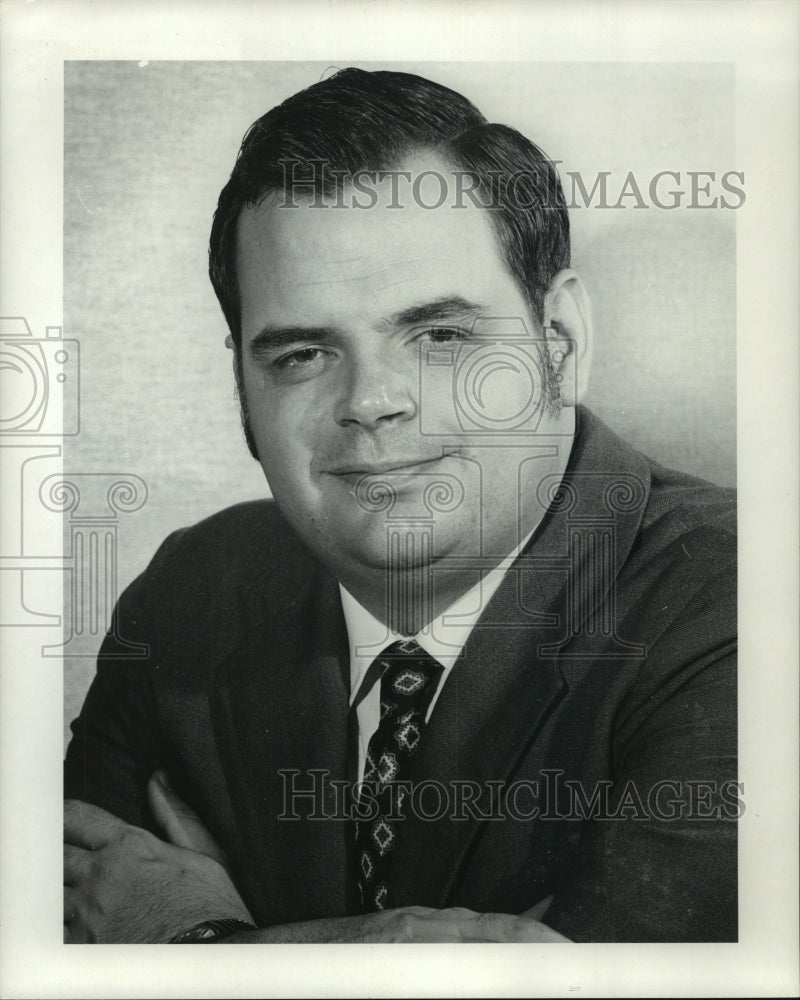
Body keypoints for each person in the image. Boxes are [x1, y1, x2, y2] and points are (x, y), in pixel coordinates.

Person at [63, 67, 737, 944]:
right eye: (302, 354)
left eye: (441, 335)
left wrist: (197, 945)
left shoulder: (744, 604)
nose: (372, 399)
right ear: (241, 391)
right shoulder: (190, 591)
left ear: (560, 345)